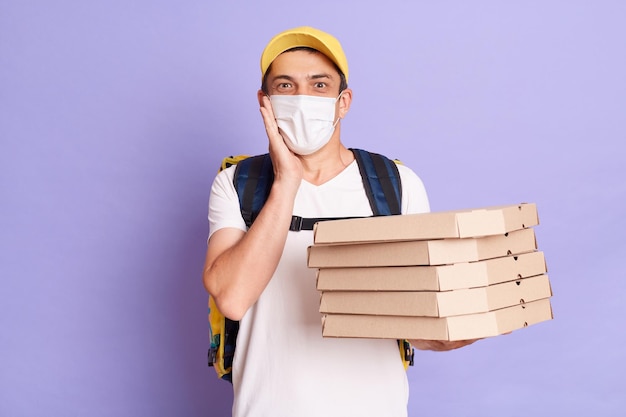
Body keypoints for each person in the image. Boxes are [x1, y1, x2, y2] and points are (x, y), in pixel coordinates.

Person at [203, 26, 476, 417]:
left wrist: (449, 335)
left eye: (319, 85)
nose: (302, 99)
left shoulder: (395, 184)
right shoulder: (235, 183)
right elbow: (231, 298)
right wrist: (286, 184)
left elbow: (416, 318)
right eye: (285, 86)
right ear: (264, 102)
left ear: (342, 101)